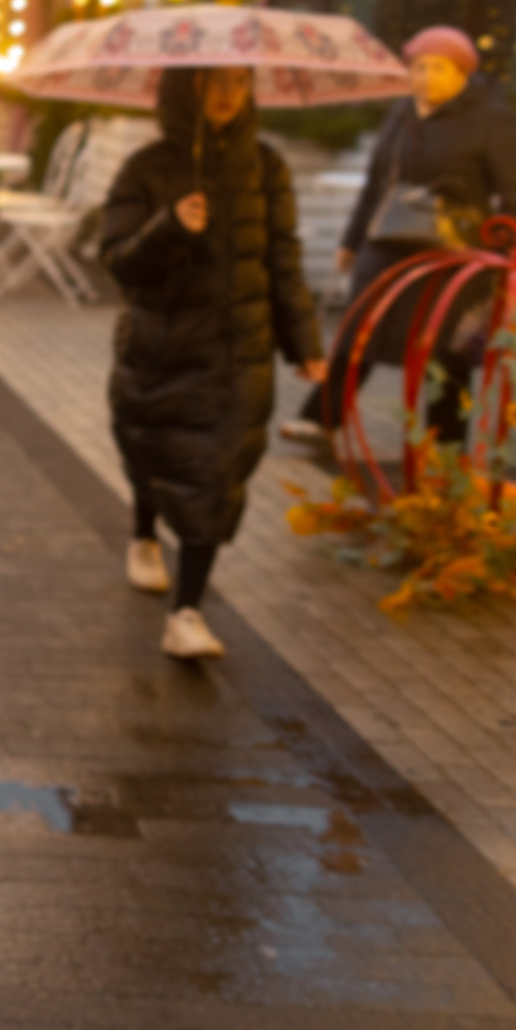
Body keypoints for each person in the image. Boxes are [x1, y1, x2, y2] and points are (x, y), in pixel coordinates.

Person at [100, 66, 325, 660]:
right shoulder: (147, 167)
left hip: (239, 353)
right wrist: (168, 228)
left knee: (218, 475)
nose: (228, 93)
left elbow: (283, 258)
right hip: (163, 349)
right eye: (214, 81)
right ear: (186, 86)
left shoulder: (267, 167)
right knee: (155, 450)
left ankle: (187, 612)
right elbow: (118, 261)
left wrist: (305, 344)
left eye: (241, 81)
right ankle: (145, 533)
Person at [281, 25, 516, 447]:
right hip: (389, 237)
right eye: (419, 67)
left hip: (455, 250)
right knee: (361, 325)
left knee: (446, 349)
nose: (427, 77)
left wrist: (508, 255)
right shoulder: (400, 112)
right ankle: (322, 419)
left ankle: (444, 446)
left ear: (462, 74)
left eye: (439, 68)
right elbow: (376, 181)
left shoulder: (492, 119)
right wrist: (351, 240)